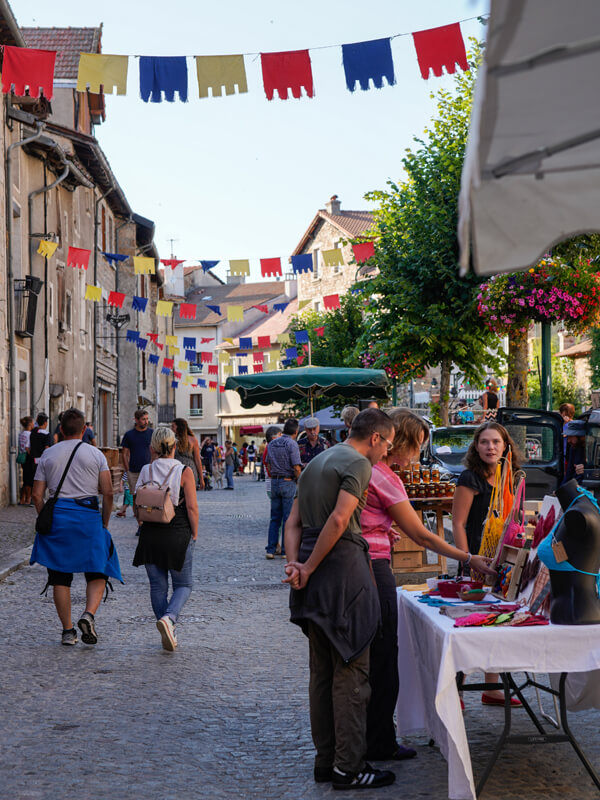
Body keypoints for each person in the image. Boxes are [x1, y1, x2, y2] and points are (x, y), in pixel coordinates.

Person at [360, 409, 495, 760]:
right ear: (400, 442)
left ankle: (374, 735)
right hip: (373, 566)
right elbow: (422, 536)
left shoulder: (367, 470)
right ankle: (379, 741)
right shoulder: (384, 475)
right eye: (417, 445)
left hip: (366, 560)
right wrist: (468, 558)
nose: (418, 454)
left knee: (377, 653)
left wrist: (380, 528)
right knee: (384, 654)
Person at [283, 408, 396, 790]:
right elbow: (338, 520)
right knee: (351, 670)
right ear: (375, 437)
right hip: (341, 574)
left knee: (322, 672)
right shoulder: (358, 463)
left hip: (313, 575)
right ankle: (348, 767)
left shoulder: (316, 462)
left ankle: (326, 761)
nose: (387, 452)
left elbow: (293, 523)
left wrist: (296, 565)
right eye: (388, 444)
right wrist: (309, 566)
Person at [30, 408, 121, 646]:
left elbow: (37, 495)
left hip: (58, 518)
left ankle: (68, 632)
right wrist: (104, 522)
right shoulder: (96, 455)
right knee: (98, 569)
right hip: (88, 518)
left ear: (61, 429)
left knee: (59, 576)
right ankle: (88, 614)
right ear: (84, 430)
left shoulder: (49, 454)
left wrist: (46, 517)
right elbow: (108, 492)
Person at [452, 421, 522, 705]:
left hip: (502, 561)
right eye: (484, 442)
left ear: (506, 446)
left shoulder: (511, 477)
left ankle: (492, 688)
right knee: (468, 625)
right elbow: (458, 524)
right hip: (475, 559)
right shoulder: (470, 478)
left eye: (496, 442)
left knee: (498, 622)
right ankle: (456, 691)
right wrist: (467, 560)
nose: (490, 447)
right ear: (476, 447)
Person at [133, 426, 199, 651]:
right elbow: (191, 508)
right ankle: (169, 619)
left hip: (150, 534)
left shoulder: (146, 470)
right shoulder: (184, 471)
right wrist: (195, 533)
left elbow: (136, 503)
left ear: (152, 447)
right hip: (177, 532)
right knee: (184, 584)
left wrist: (141, 524)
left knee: (157, 586)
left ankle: (168, 627)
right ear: (175, 446)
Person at [265, 418, 302, 560]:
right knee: (288, 518)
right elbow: (296, 467)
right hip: (288, 481)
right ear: (296, 431)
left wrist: (275, 476)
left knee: (274, 518)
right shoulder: (292, 444)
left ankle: (271, 549)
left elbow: (268, 464)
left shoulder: (272, 443)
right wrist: (299, 481)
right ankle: (286, 551)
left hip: (274, 481)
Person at [121, 409, 153, 496]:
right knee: (135, 497)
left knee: (148, 496)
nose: (146, 422)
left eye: (147, 419)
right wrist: (128, 471)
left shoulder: (152, 433)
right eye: (143, 419)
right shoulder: (129, 435)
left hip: (149, 472)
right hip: (133, 472)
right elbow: (124, 454)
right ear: (136, 420)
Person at [172, 418, 205, 490]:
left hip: (190, 470)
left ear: (179, 427)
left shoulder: (193, 440)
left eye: (173, 426)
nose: (171, 429)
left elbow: (197, 459)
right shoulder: (172, 439)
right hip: (176, 470)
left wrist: (201, 478)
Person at [562, 419, 586, 485]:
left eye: (571, 437)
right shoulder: (574, 448)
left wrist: (586, 470)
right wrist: (561, 489)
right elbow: (569, 473)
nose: (568, 441)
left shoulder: (594, 450)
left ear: (581, 436)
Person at [18, 415, 35, 505]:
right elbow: (28, 448)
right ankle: (28, 499)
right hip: (28, 457)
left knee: (25, 479)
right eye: (33, 423)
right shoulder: (30, 435)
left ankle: (22, 498)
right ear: (30, 424)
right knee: (29, 480)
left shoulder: (21, 434)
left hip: (22, 456)